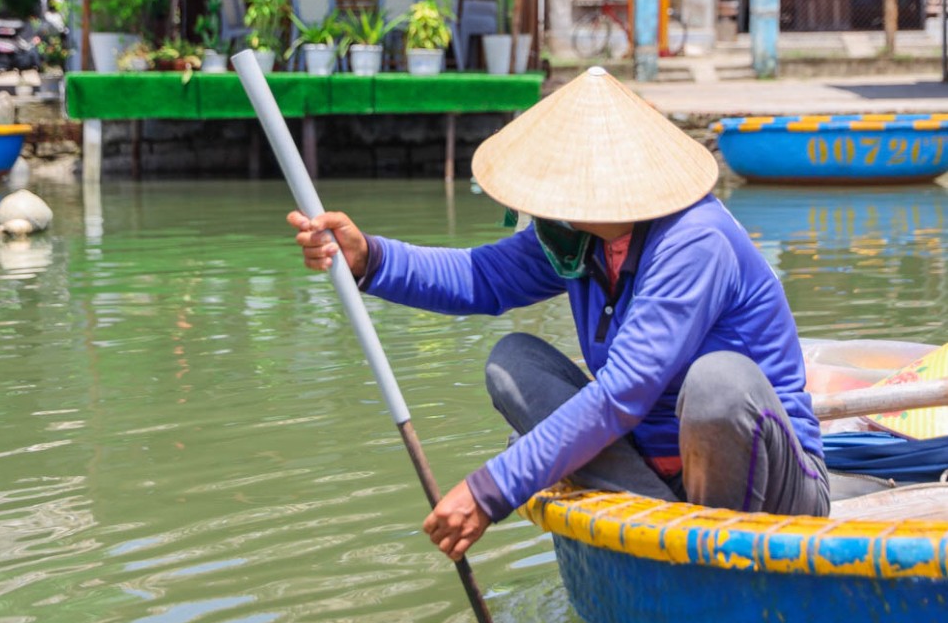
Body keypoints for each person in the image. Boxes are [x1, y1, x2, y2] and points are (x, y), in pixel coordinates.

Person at [289, 66, 829, 564]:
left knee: (718, 385)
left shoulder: (694, 241)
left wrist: (490, 490)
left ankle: (701, 549)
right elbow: (480, 277)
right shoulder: (581, 241)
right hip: (657, 476)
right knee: (512, 362)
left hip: (769, 488)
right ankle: (662, 516)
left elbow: (623, 394)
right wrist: (370, 259)